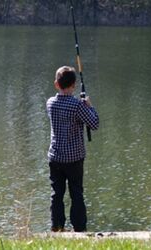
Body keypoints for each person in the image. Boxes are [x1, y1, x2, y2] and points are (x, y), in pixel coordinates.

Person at [46, 66, 99, 232]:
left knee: (57, 194)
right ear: (74, 85)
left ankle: (57, 227)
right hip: (74, 158)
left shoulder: (50, 103)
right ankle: (79, 229)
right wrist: (89, 106)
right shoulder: (77, 106)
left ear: (56, 84)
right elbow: (94, 123)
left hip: (55, 157)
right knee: (76, 193)